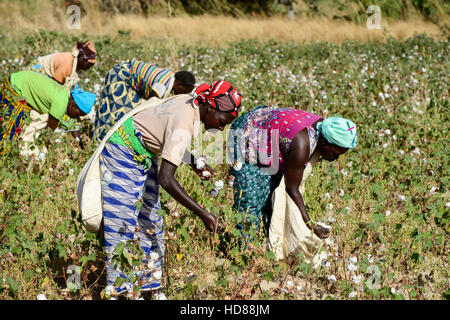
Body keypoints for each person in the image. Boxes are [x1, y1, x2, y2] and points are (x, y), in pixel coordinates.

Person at [92, 80, 241, 297]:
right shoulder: (185, 123)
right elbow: (166, 179)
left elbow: (164, 135)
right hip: (122, 151)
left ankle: (148, 285)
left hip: (143, 152)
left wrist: (192, 163)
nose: (220, 127)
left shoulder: (189, 102)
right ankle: (118, 291)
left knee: (151, 221)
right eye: (221, 121)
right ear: (210, 108)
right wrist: (204, 215)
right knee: (122, 223)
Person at [227, 105, 357, 243]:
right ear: (325, 142)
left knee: (272, 195)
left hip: (268, 134)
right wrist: (310, 225)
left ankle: (267, 244)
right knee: (251, 198)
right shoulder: (302, 143)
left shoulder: (324, 128)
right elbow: (291, 187)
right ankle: (243, 250)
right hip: (247, 132)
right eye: (335, 153)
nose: (335, 158)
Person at [92, 60, 196, 143]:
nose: (183, 95)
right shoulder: (162, 85)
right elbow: (151, 105)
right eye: (184, 91)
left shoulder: (170, 78)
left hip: (129, 80)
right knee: (119, 112)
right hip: (121, 77)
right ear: (178, 84)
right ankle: (101, 140)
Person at [0, 70, 96, 156]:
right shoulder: (60, 105)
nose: (76, 118)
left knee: (10, 120)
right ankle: (4, 156)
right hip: (16, 88)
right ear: (74, 106)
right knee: (12, 129)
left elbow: (74, 126)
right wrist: (49, 151)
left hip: (19, 80)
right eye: (78, 115)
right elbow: (47, 133)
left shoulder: (64, 94)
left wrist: (79, 142)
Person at [26, 40, 97, 91]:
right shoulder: (67, 66)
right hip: (38, 70)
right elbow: (54, 86)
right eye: (88, 65)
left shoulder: (73, 60)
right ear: (82, 61)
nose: (88, 68)